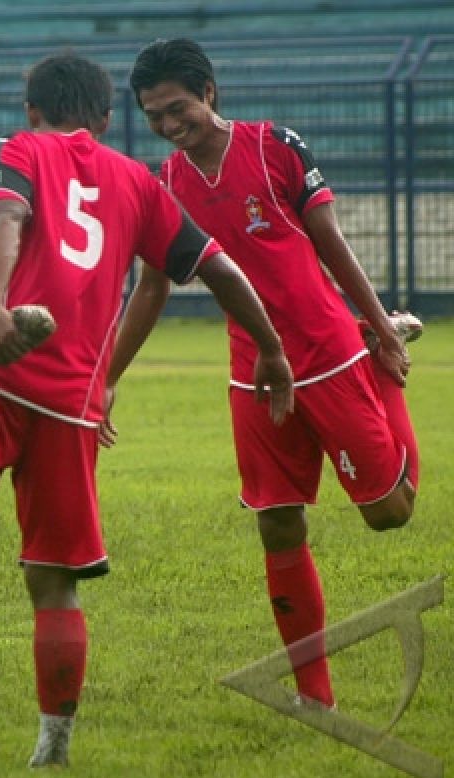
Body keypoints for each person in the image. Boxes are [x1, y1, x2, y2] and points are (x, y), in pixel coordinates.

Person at [0, 51, 294, 769]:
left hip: (2, 375)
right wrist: (272, 350)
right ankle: (54, 749)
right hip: (73, 405)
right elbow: (218, 268)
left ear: (31, 111)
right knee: (53, 578)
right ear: (105, 120)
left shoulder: (21, 147)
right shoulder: (142, 182)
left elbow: (8, 213)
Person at [114, 37, 422, 709]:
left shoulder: (274, 146)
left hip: (329, 351)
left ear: (209, 92)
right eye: (154, 116)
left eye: (177, 109)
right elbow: (151, 288)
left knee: (389, 515)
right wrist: (107, 378)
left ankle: (385, 363)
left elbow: (330, 243)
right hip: (252, 370)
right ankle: (316, 694)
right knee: (277, 524)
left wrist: (376, 329)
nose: (168, 127)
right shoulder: (165, 184)